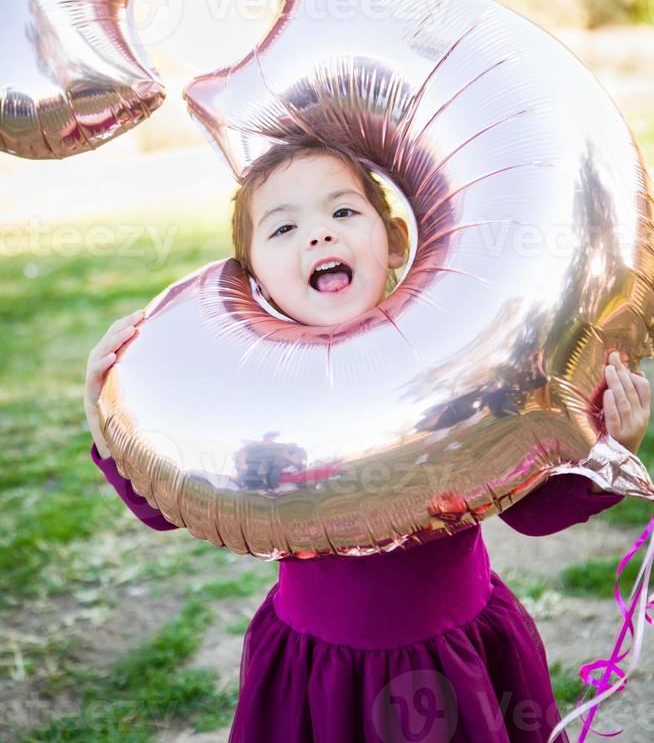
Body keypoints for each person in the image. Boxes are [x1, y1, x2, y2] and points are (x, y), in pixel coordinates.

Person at [85, 139, 651, 742]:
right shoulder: (259, 400)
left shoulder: (448, 367)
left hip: (458, 660)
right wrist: (109, 426)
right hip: (316, 674)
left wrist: (609, 443)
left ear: (395, 242)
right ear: (254, 283)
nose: (319, 236)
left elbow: (534, 514)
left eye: (344, 212)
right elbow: (178, 503)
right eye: (283, 228)